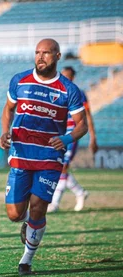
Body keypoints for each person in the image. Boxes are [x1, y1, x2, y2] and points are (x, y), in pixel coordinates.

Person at [0, 39, 88, 276]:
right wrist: (5, 132)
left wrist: (67, 139)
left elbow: (82, 126)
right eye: (37, 52)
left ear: (57, 56)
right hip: (21, 153)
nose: (40, 57)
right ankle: (27, 224)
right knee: (14, 214)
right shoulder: (19, 80)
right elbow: (8, 109)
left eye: (46, 53)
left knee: (39, 209)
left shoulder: (69, 90)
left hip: (49, 156)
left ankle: (26, 260)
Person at [47, 66, 98, 213]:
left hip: (72, 135)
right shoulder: (56, 93)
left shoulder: (79, 93)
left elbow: (87, 116)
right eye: (63, 76)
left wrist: (93, 138)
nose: (65, 79)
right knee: (58, 167)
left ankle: (55, 203)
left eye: (68, 76)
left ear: (73, 78)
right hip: (59, 134)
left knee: (63, 167)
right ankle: (80, 192)